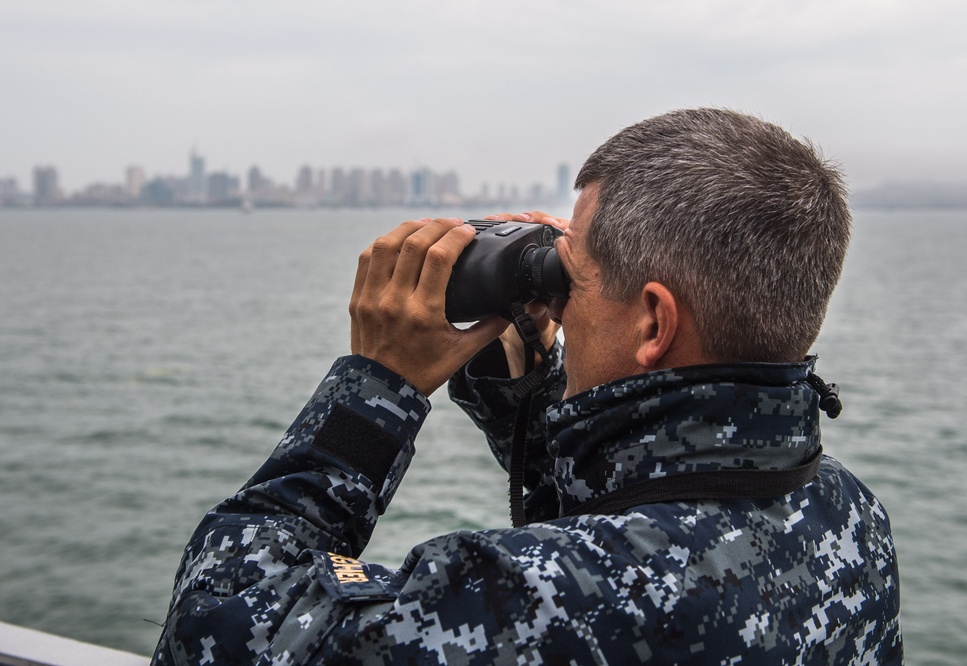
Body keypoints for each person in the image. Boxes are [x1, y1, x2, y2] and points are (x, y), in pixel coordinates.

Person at [153, 108, 902, 664]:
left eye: (569, 279)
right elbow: (639, 515)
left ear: (653, 323)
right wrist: (521, 395)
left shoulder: (560, 597)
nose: (558, 303)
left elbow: (214, 626)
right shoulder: (850, 517)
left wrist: (377, 384)